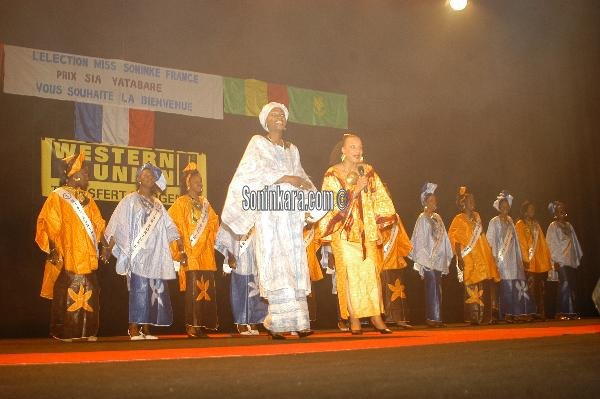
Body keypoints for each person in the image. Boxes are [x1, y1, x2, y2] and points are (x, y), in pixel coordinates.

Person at [221, 102, 316, 339]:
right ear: (265, 120)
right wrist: (285, 177)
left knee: (293, 264)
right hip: (270, 213)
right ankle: (278, 323)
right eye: (274, 114)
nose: (279, 117)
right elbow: (250, 175)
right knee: (276, 264)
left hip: (291, 215)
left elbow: (302, 176)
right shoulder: (257, 143)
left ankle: (298, 321)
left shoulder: (293, 149)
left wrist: (305, 190)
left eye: (282, 114)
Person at [318, 133, 396, 335]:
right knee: (351, 276)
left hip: (367, 231)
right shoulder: (332, 174)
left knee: (371, 273)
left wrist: (378, 225)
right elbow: (331, 204)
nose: (357, 151)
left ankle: (376, 317)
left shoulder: (368, 171)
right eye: (353, 147)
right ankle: (354, 319)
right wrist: (354, 190)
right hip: (345, 234)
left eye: (360, 147)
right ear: (343, 150)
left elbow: (380, 199)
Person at [101, 163, 185, 340]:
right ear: (138, 178)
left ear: (155, 181)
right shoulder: (130, 200)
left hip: (154, 255)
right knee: (139, 289)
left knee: (152, 290)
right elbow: (118, 225)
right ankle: (133, 328)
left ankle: (146, 329)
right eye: (144, 175)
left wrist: (180, 248)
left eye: (151, 176)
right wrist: (109, 247)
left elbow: (170, 228)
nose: (148, 177)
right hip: (138, 253)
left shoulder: (158, 205)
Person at [35, 153, 106, 341]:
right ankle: (63, 332)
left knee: (90, 291)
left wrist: (105, 245)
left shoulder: (88, 198)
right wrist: (52, 249)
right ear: (75, 174)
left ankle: (88, 331)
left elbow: (98, 223)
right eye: (85, 172)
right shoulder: (57, 196)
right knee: (66, 292)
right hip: (69, 255)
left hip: (88, 256)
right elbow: (49, 224)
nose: (88, 176)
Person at [168, 162, 220, 338]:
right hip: (190, 254)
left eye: (201, 182)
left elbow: (214, 223)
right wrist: (180, 250)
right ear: (189, 183)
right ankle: (191, 325)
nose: (201, 184)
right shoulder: (180, 203)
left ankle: (201, 325)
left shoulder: (206, 203)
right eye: (197, 181)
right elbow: (173, 228)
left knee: (204, 291)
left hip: (205, 254)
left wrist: (211, 232)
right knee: (192, 292)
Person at [448, 186, 500, 325]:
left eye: (473, 199)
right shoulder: (458, 219)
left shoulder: (477, 216)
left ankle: (485, 317)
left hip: (481, 255)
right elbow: (456, 240)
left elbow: (481, 236)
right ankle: (472, 317)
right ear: (463, 203)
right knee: (471, 285)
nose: (473, 202)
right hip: (468, 256)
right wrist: (459, 257)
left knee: (483, 284)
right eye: (470, 200)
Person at [409, 183, 453, 328]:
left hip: (438, 260)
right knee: (432, 287)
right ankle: (432, 318)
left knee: (438, 287)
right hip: (427, 260)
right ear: (425, 203)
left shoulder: (438, 218)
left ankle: (438, 318)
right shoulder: (422, 218)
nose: (435, 202)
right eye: (432, 200)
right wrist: (424, 260)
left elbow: (444, 238)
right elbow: (420, 241)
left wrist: (444, 255)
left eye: (435, 200)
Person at [486, 191, 535, 322]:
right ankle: (508, 314)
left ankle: (520, 313)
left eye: (507, 204)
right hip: (501, 260)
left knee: (517, 286)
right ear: (498, 206)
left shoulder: (511, 221)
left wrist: (521, 258)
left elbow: (516, 242)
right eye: (503, 204)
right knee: (506, 286)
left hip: (513, 258)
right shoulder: (494, 221)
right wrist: (493, 259)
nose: (505, 207)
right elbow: (489, 241)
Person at [215, 224, 267, 336]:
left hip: (255, 260)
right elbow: (224, 237)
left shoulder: (254, 214)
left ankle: (252, 320)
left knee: (254, 292)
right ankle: (241, 321)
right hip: (239, 261)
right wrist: (230, 257)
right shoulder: (233, 214)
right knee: (240, 291)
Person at [514, 201, 553, 320]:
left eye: (533, 208)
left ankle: (539, 312)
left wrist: (545, 260)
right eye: (530, 208)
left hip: (537, 262)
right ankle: (528, 312)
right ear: (524, 211)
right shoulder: (519, 224)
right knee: (527, 288)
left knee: (538, 288)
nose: (533, 210)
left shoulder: (536, 225)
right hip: (527, 262)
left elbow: (542, 243)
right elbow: (520, 243)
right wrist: (525, 259)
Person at [546, 201, 583, 320]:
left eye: (563, 209)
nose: (562, 212)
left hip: (570, 260)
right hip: (561, 260)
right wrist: (555, 260)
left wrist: (576, 257)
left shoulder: (569, 225)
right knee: (565, 284)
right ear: (555, 212)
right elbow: (550, 244)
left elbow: (575, 243)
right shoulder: (553, 226)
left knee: (571, 285)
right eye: (559, 210)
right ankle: (563, 312)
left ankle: (572, 311)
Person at [379, 212, 413, 329]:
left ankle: (399, 319)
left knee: (398, 292)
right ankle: (383, 320)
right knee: (383, 291)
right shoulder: (373, 213)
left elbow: (401, 235)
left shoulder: (396, 216)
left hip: (396, 258)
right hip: (381, 259)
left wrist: (405, 251)